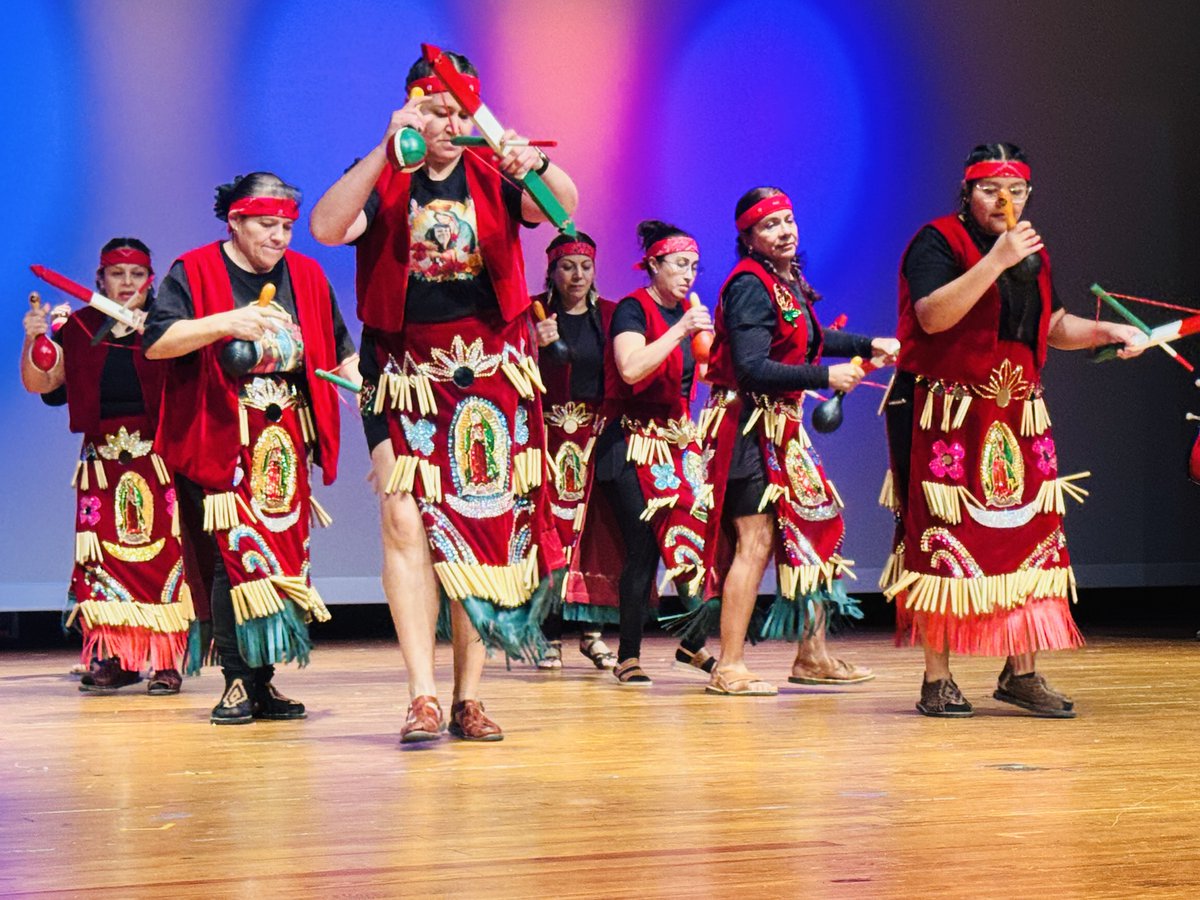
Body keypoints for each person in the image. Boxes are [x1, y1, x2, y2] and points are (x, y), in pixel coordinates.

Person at [309, 49, 579, 742]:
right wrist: (384, 147)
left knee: (481, 535)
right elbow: (328, 228)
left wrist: (533, 164)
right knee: (404, 524)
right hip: (401, 373)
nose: (447, 122)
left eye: (458, 111)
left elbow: (566, 213)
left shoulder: (491, 168)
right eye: (435, 109)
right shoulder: (384, 177)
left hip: (490, 372)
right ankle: (421, 696)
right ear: (411, 107)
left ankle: (467, 697)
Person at [882, 143, 1144, 717]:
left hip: (1017, 411)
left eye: (1017, 191)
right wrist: (996, 260)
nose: (1004, 201)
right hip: (947, 411)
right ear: (966, 192)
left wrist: (1108, 335)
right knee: (943, 540)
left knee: (1031, 538)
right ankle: (938, 679)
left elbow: (1051, 326)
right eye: (989, 190)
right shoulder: (937, 241)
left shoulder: (1032, 252)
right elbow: (933, 316)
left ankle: (1021, 672)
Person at [144, 172, 359, 724]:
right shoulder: (193, 270)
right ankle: (236, 681)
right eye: (267, 225)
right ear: (235, 221)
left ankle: (264, 683)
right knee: (229, 559)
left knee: (281, 561)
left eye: (287, 226)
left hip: (283, 440)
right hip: (220, 435)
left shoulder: (306, 275)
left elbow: (339, 350)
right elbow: (157, 343)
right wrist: (224, 323)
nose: (280, 237)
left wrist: (367, 387)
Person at [699, 188, 897, 695]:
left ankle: (812, 655)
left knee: (815, 527)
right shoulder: (749, 284)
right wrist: (825, 379)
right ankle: (730, 665)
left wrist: (863, 344)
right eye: (770, 225)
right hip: (745, 425)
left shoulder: (785, 280)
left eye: (788, 220)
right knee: (757, 540)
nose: (785, 231)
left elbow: (807, 335)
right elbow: (750, 367)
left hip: (781, 425)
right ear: (747, 237)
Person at [21, 239, 191, 694]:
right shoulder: (77, 328)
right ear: (101, 279)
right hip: (101, 466)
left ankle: (167, 660)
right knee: (104, 565)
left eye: (137, 274)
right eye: (118, 274)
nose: (128, 283)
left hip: (158, 461)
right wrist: (35, 337)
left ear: (151, 280)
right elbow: (44, 385)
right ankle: (117, 659)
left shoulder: (167, 327)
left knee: (164, 562)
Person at [597, 220, 715, 685]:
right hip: (631, 441)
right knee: (645, 545)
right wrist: (681, 331)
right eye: (680, 265)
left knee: (700, 544)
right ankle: (629, 655)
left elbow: (699, 375)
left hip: (677, 440)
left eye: (695, 267)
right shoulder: (633, 309)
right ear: (654, 265)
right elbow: (630, 369)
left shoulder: (690, 314)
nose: (689, 275)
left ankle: (693, 643)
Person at [532, 232, 619, 670]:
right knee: (550, 531)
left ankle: (591, 632)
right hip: (545, 437)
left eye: (585, 267)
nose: (577, 275)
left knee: (593, 536)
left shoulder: (610, 316)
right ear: (552, 270)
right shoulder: (533, 314)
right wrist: (534, 344)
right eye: (568, 266)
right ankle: (549, 634)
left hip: (594, 439)